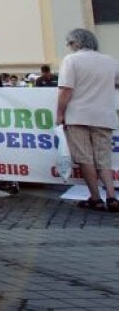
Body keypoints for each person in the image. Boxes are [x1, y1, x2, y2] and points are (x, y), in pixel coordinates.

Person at [55, 28, 119, 212]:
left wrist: (60, 113)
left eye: (69, 44)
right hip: (105, 115)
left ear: (75, 43)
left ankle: (96, 198)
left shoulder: (71, 60)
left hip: (78, 115)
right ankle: (112, 196)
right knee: (103, 159)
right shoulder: (110, 61)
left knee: (85, 158)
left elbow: (66, 89)